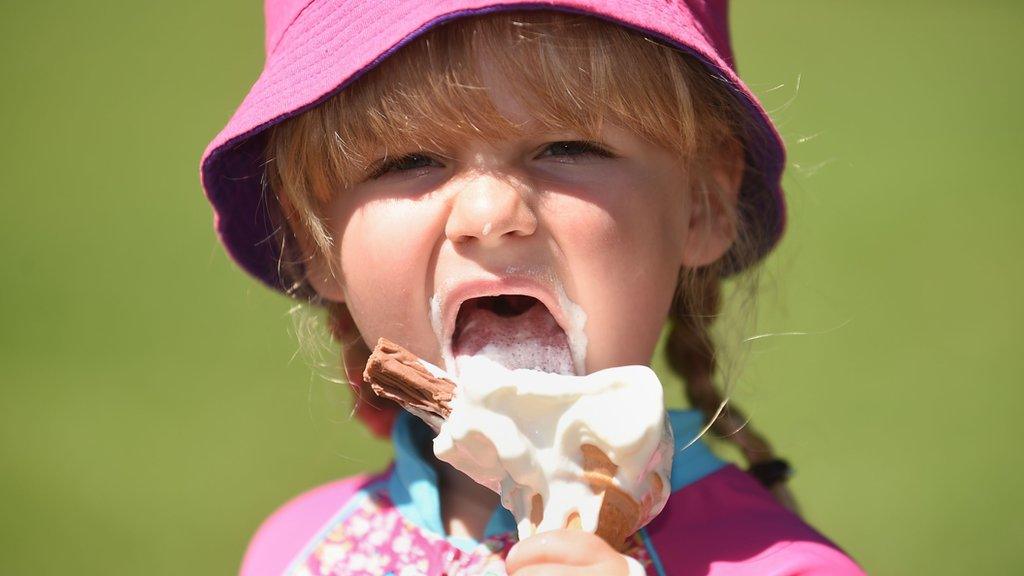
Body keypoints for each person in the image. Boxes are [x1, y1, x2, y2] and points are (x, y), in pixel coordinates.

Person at [200, 2, 866, 574]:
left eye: (567, 148)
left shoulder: (778, 563)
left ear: (700, 203)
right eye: (409, 161)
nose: (490, 217)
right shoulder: (298, 552)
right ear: (316, 240)